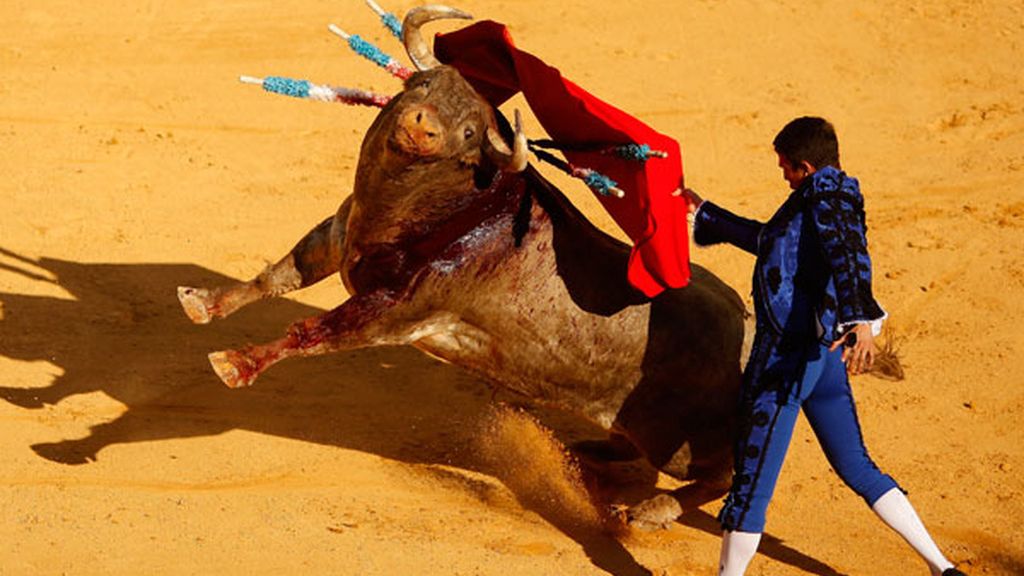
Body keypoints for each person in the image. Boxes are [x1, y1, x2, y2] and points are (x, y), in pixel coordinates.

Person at [678, 117, 965, 576]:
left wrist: (861, 320)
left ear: (806, 167)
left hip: (787, 364)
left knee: (750, 489)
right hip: (821, 362)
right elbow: (772, 243)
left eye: (786, 168)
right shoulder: (819, 197)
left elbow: (849, 254)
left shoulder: (827, 200)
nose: (783, 175)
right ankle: (941, 566)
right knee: (857, 466)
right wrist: (705, 213)